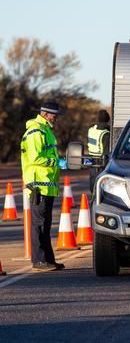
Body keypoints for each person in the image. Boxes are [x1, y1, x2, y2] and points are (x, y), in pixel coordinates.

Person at [20, 102, 67, 272]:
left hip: (47, 185)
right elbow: (35, 158)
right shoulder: (35, 132)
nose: (56, 118)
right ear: (46, 114)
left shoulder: (46, 131)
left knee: (45, 225)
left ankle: (48, 259)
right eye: (55, 115)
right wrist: (57, 162)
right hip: (38, 186)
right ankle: (39, 261)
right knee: (38, 224)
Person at [87, 109, 111, 189]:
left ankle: (93, 198)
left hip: (92, 160)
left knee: (93, 184)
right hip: (102, 161)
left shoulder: (91, 129)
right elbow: (106, 152)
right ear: (108, 120)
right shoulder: (106, 133)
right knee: (102, 185)